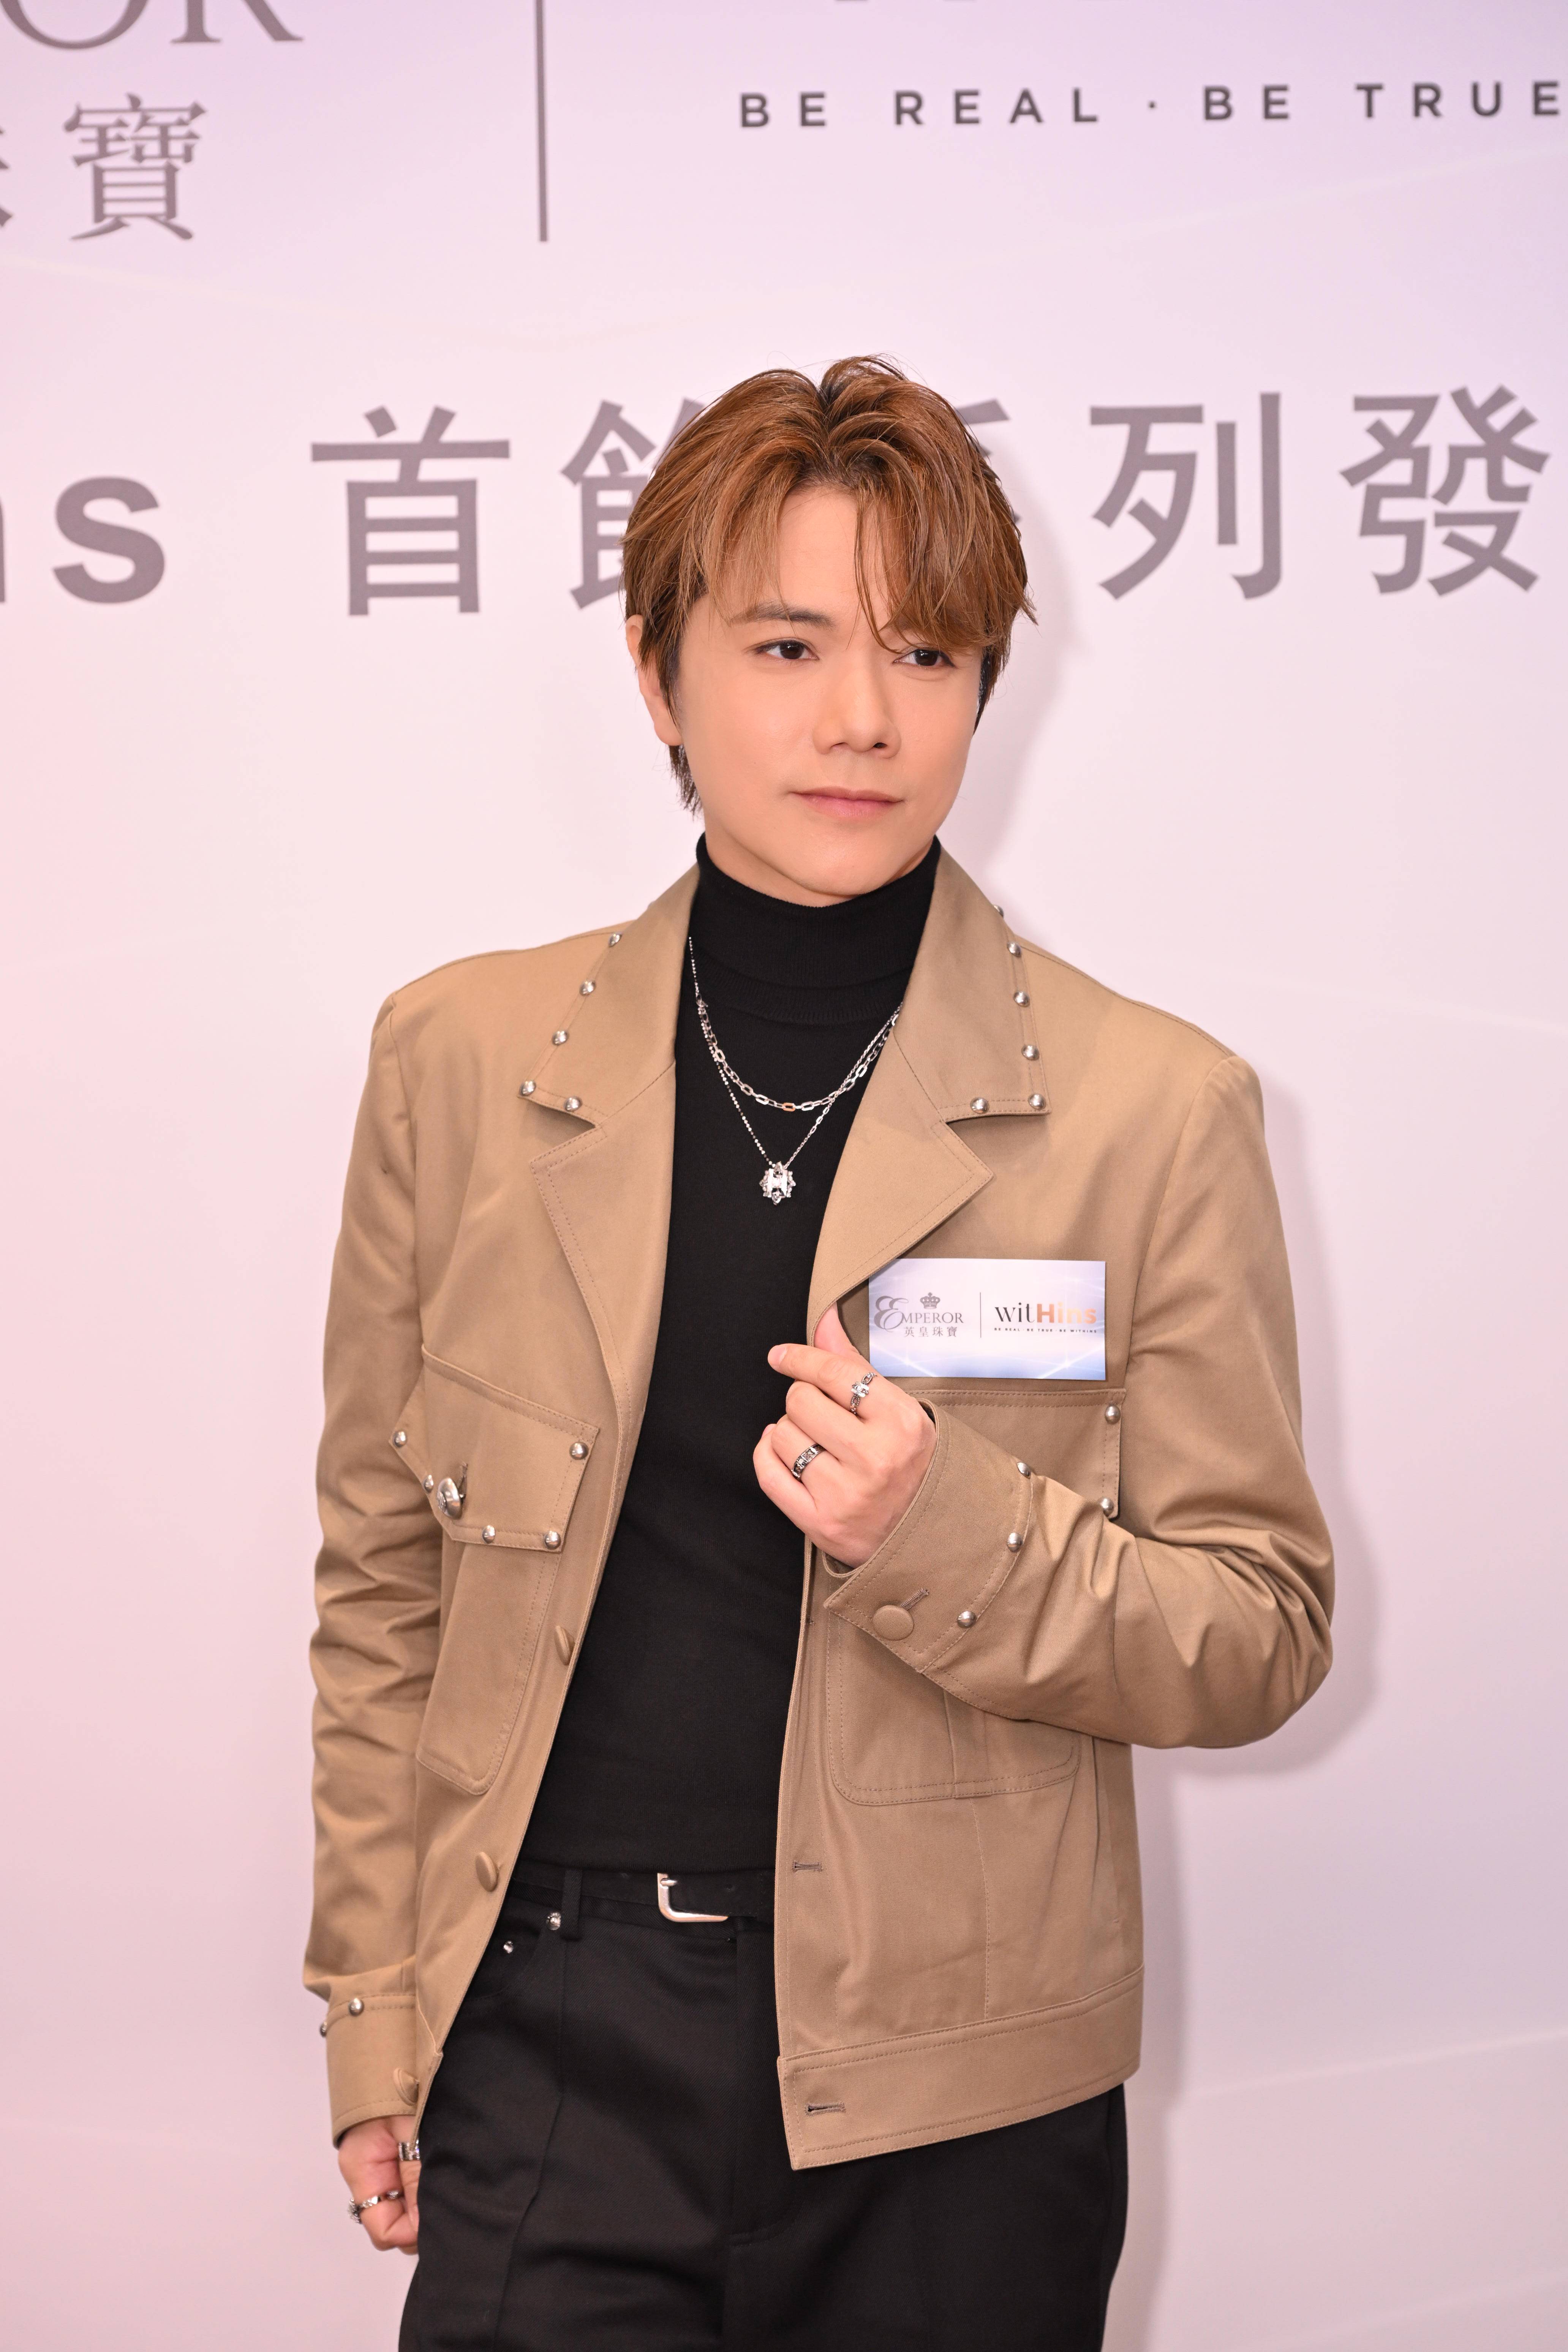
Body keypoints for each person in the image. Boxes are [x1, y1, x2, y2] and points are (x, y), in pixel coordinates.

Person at [307, 356, 1334, 2350]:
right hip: (547, 2035)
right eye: (788, 646)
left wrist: (949, 1531)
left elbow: (1262, 1625)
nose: (863, 717)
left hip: (965, 2087)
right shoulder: (459, 1060)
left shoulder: (1156, 1108)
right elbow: (382, 1584)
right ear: (657, 671)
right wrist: (378, 2010)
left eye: (926, 653)